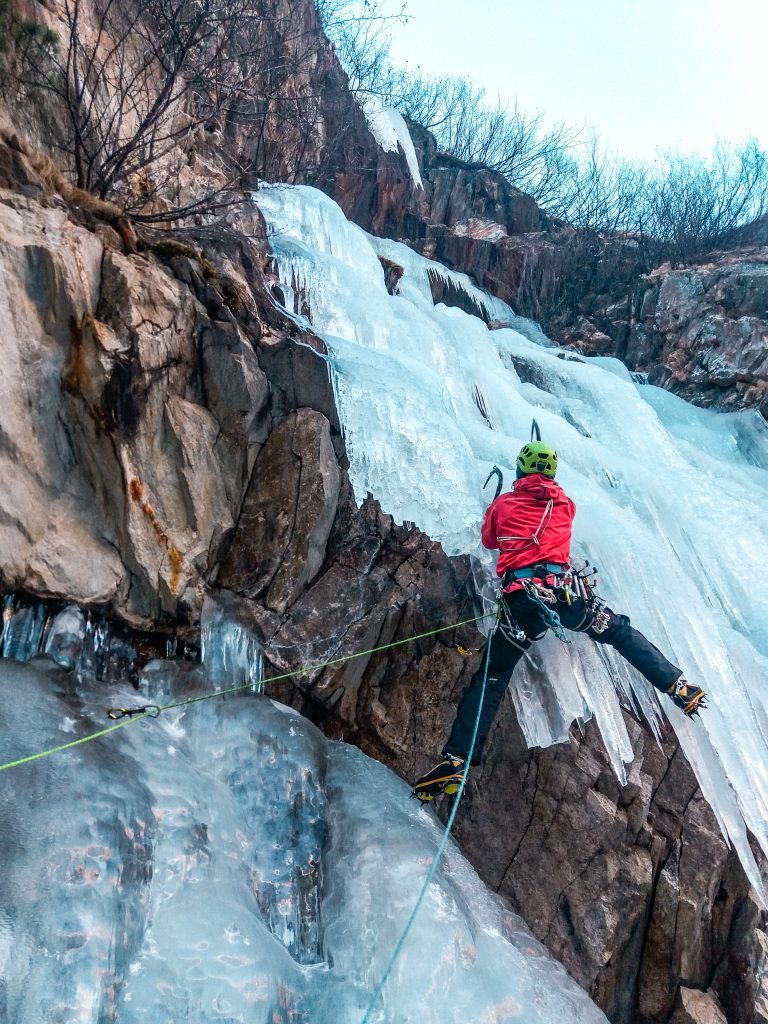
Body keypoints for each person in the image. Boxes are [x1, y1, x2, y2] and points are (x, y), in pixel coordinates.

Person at [413, 440, 706, 803]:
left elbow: (490, 540)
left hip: (522, 602)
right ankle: (677, 685)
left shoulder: (504, 506)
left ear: (520, 470)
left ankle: (457, 759)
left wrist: (499, 503)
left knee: (493, 673)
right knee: (618, 631)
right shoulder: (564, 504)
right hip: (568, 596)